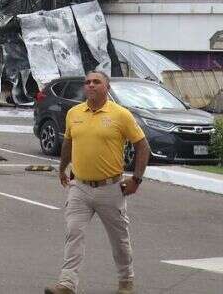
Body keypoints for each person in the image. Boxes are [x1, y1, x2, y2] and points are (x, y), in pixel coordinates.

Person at [46, 71, 150, 294]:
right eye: (87, 82)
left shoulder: (121, 115)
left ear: (107, 87)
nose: (90, 85)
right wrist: (63, 167)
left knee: (119, 239)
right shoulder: (74, 113)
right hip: (79, 187)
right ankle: (67, 283)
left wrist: (136, 179)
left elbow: (143, 146)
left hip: (110, 189)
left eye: (96, 82)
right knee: (73, 232)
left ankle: (126, 282)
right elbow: (68, 142)